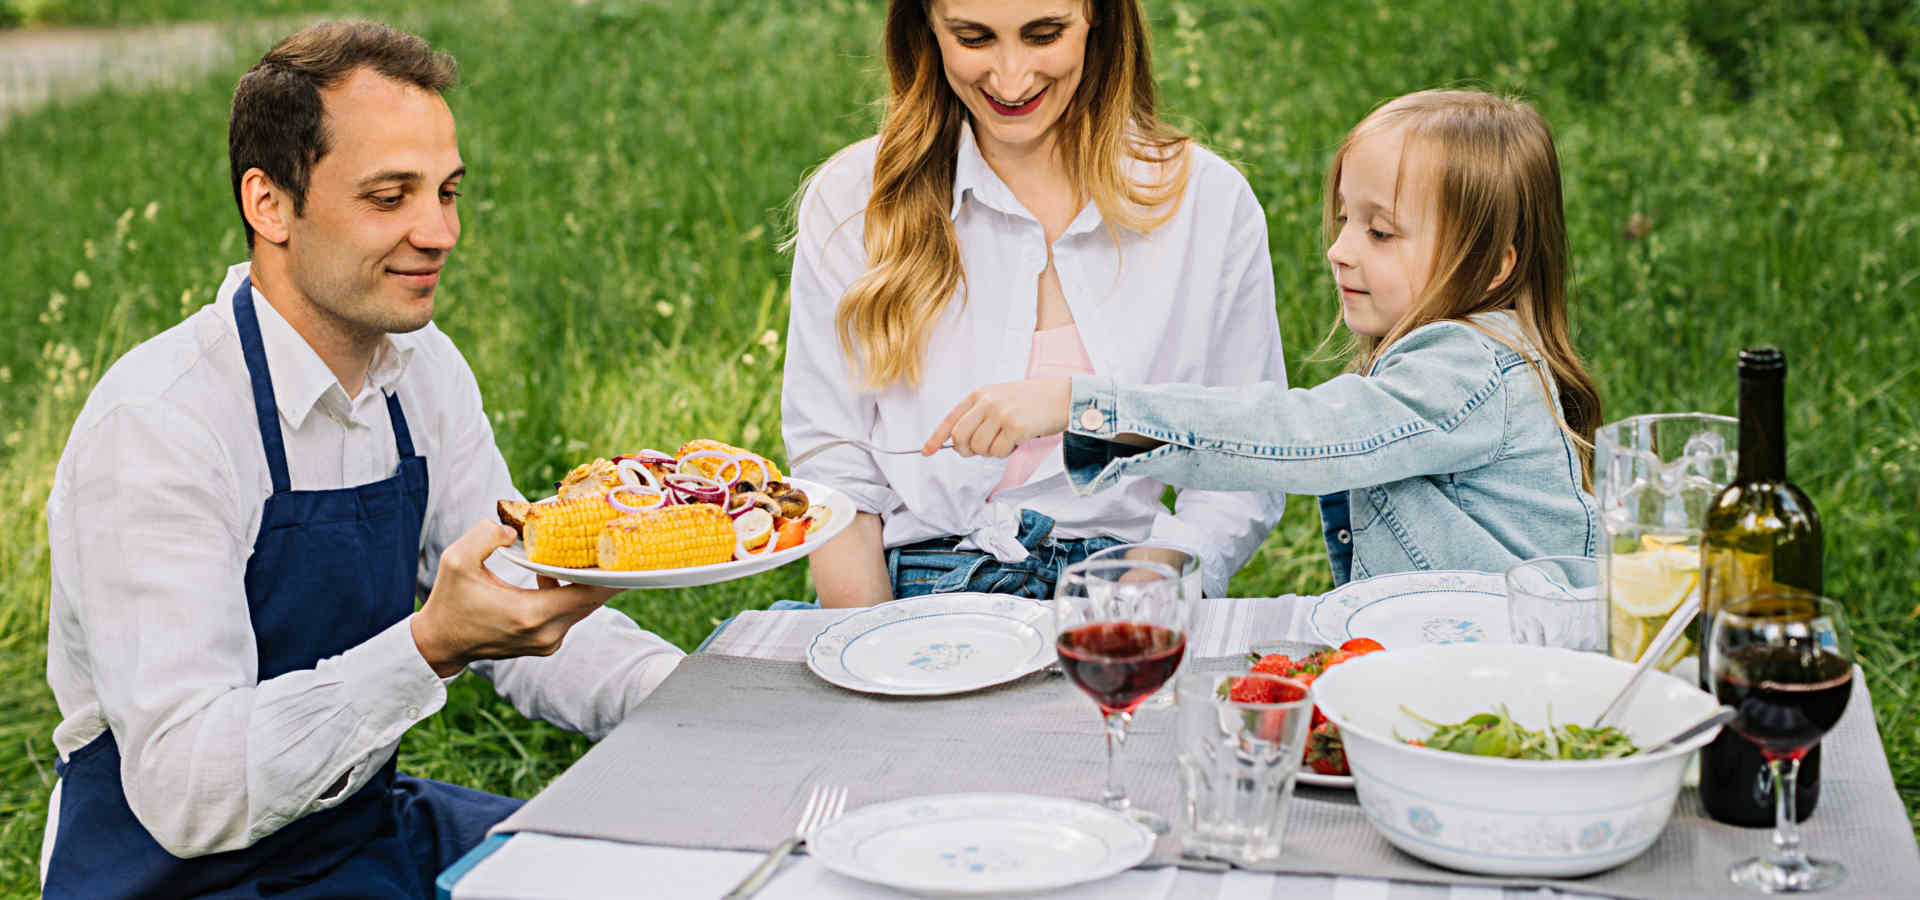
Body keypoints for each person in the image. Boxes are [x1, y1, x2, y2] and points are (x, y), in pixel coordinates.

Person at [40, 23, 683, 899]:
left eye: (448, 192)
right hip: (173, 875)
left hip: (359, 827)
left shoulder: (421, 369)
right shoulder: (160, 426)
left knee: (664, 876)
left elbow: (523, 600)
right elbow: (190, 794)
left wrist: (688, 701)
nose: (439, 231)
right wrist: (429, 646)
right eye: (390, 197)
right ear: (269, 204)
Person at [926, 89, 1603, 585]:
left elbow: (1299, 435)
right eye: (1344, 220)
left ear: (1492, 264)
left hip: (1521, 677)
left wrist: (1087, 411)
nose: (1338, 250)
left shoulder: (1464, 365)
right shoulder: (1461, 359)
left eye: (1380, 232)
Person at [781, 0, 1287, 607]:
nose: (1012, 78)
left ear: (1097, 16)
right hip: (913, 585)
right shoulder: (854, 199)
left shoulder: (1206, 202)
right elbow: (834, 467)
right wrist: (869, 646)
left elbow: (1244, 459)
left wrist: (1146, 595)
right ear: (926, 28)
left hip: (1121, 582)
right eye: (973, 38)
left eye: (1043, 34)